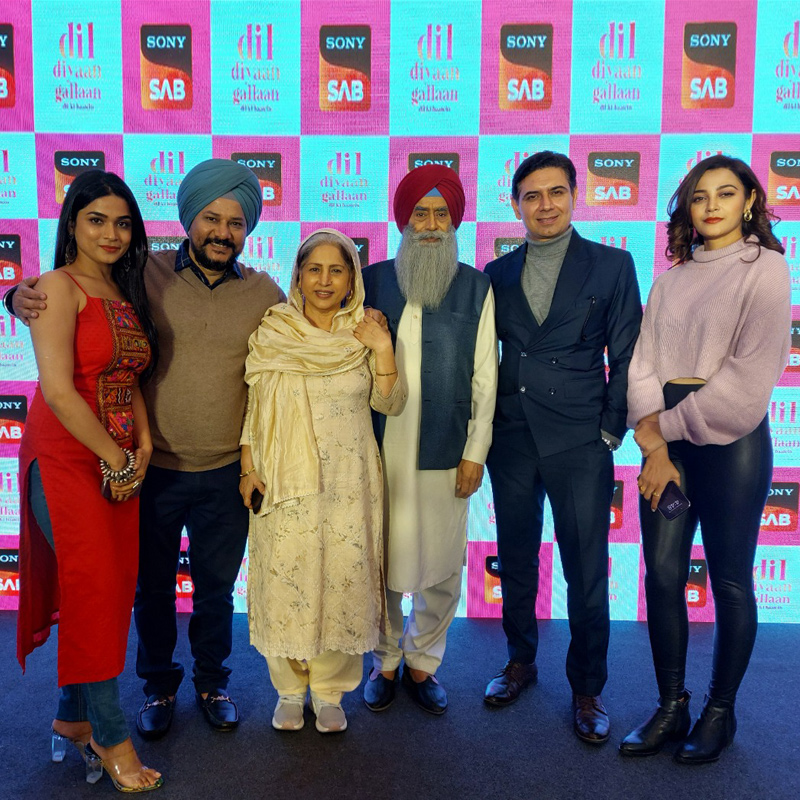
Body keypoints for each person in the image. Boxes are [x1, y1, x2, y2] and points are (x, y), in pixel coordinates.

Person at [9, 159, 286, 739]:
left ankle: (213, 682)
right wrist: (17, 293)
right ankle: (158, 686)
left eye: (236, 223)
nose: (222, 232)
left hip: (225, 471)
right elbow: (76, 287)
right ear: (189, 219)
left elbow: (306, 333)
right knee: (151, 589)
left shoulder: (264, 292)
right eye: (211, 218)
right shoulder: (143, 272)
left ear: (249, 229)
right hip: (149, 468)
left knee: (216, 591)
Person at [620, 155, 790, 764]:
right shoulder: (672, 280)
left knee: (731, 581)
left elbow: (745, 385)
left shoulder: (767, 268)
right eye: (700, 196)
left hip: (731, 447)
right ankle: (672, 706)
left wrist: (660, 433)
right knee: (662, 576)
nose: (712, 205)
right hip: (666, 447)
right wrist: (655, 447)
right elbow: (642, 365)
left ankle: (720, 713)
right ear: (687, 209)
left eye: (726, 193)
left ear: (750, 202)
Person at [482, 151, 642, 744]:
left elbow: (627, 353)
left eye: (556, 192)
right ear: (516, 205)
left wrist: (610, 430)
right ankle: (520, 661)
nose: (544, 205)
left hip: (580, 440)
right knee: (516, 558)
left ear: (576, 195)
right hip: (512, 437)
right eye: (532, 195)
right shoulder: (496, 273)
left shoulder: (612, 265)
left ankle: (587, 687)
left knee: (587, 571)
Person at [16, 170, 162, 791]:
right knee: (95, 591)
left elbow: (127, 377)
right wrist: (115, 458)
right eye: (96, 220)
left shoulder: (124, 288)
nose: (111, 233)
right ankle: (111, 735)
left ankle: (72, 717)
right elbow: (57, 390)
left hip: (116, 456)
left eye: (122, 223)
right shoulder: (57, 286)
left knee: (104, 591)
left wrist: (142, 445)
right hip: (66, 459)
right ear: (71, 223)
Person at [239, 229, 405, 733]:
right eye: (315, 269)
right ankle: (290, 690)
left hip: (349, 481)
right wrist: (248, 467)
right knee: (287, 578)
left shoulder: (366, 330)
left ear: (352, 278)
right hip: (284, 479)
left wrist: (383, 349)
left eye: (337, 270)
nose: (325, 280)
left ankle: (331, 692)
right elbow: (255, 407)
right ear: (298, 276)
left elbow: (390, 404)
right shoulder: (275, 330)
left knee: (342, 581)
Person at [361, 165, 498, 715]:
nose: (432, 225)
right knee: (382, 560)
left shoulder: (475, 286)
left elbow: (485, 377)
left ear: (455, 222)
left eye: (442, 214)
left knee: (441, 563)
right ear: (404, 221)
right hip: (377, 447)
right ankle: (385, 659)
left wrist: (475, 453)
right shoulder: (370, 280)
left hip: (447, 448)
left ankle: (423, 661)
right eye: (421, 214)